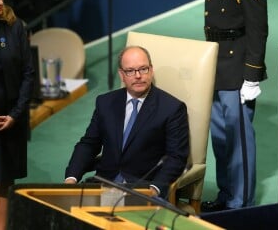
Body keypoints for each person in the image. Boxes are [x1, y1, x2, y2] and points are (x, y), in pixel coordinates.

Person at [201, 0, 268, 211]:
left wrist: (251, 76)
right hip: (217, 67)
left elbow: (257, 30)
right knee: (221, 139)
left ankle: (241, 205)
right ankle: (226, 195)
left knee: (239, 141)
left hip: (238, 70)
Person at [65, 46, 189, 198]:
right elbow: (89, 144)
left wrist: (155, 189)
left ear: (151, 70)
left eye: (143, 69)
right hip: (103, 183)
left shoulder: (172, 108)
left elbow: (176, 157)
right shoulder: (105, 103)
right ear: (121, 75)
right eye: (130, 71)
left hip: (141, 189)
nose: (138, 76)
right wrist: (71, 178)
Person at [0, 0, 34, 230]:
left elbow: (28, 73)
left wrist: (16, 114)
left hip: (11, 119)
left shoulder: (15, 26)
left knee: (5, 181)